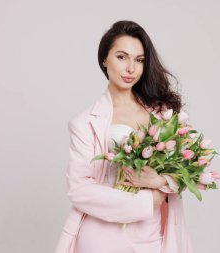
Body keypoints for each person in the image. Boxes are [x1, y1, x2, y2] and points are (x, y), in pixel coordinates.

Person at [54, 20, 200, 253]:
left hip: (153, 231)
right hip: (102, 234)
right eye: (122, 57)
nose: (131, 68)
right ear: (105, 59)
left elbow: (192, 168)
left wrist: (159, 182)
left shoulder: (165, 113)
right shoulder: (84, 122)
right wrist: (145, 201)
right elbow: (79, 189)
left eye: (139, 60)